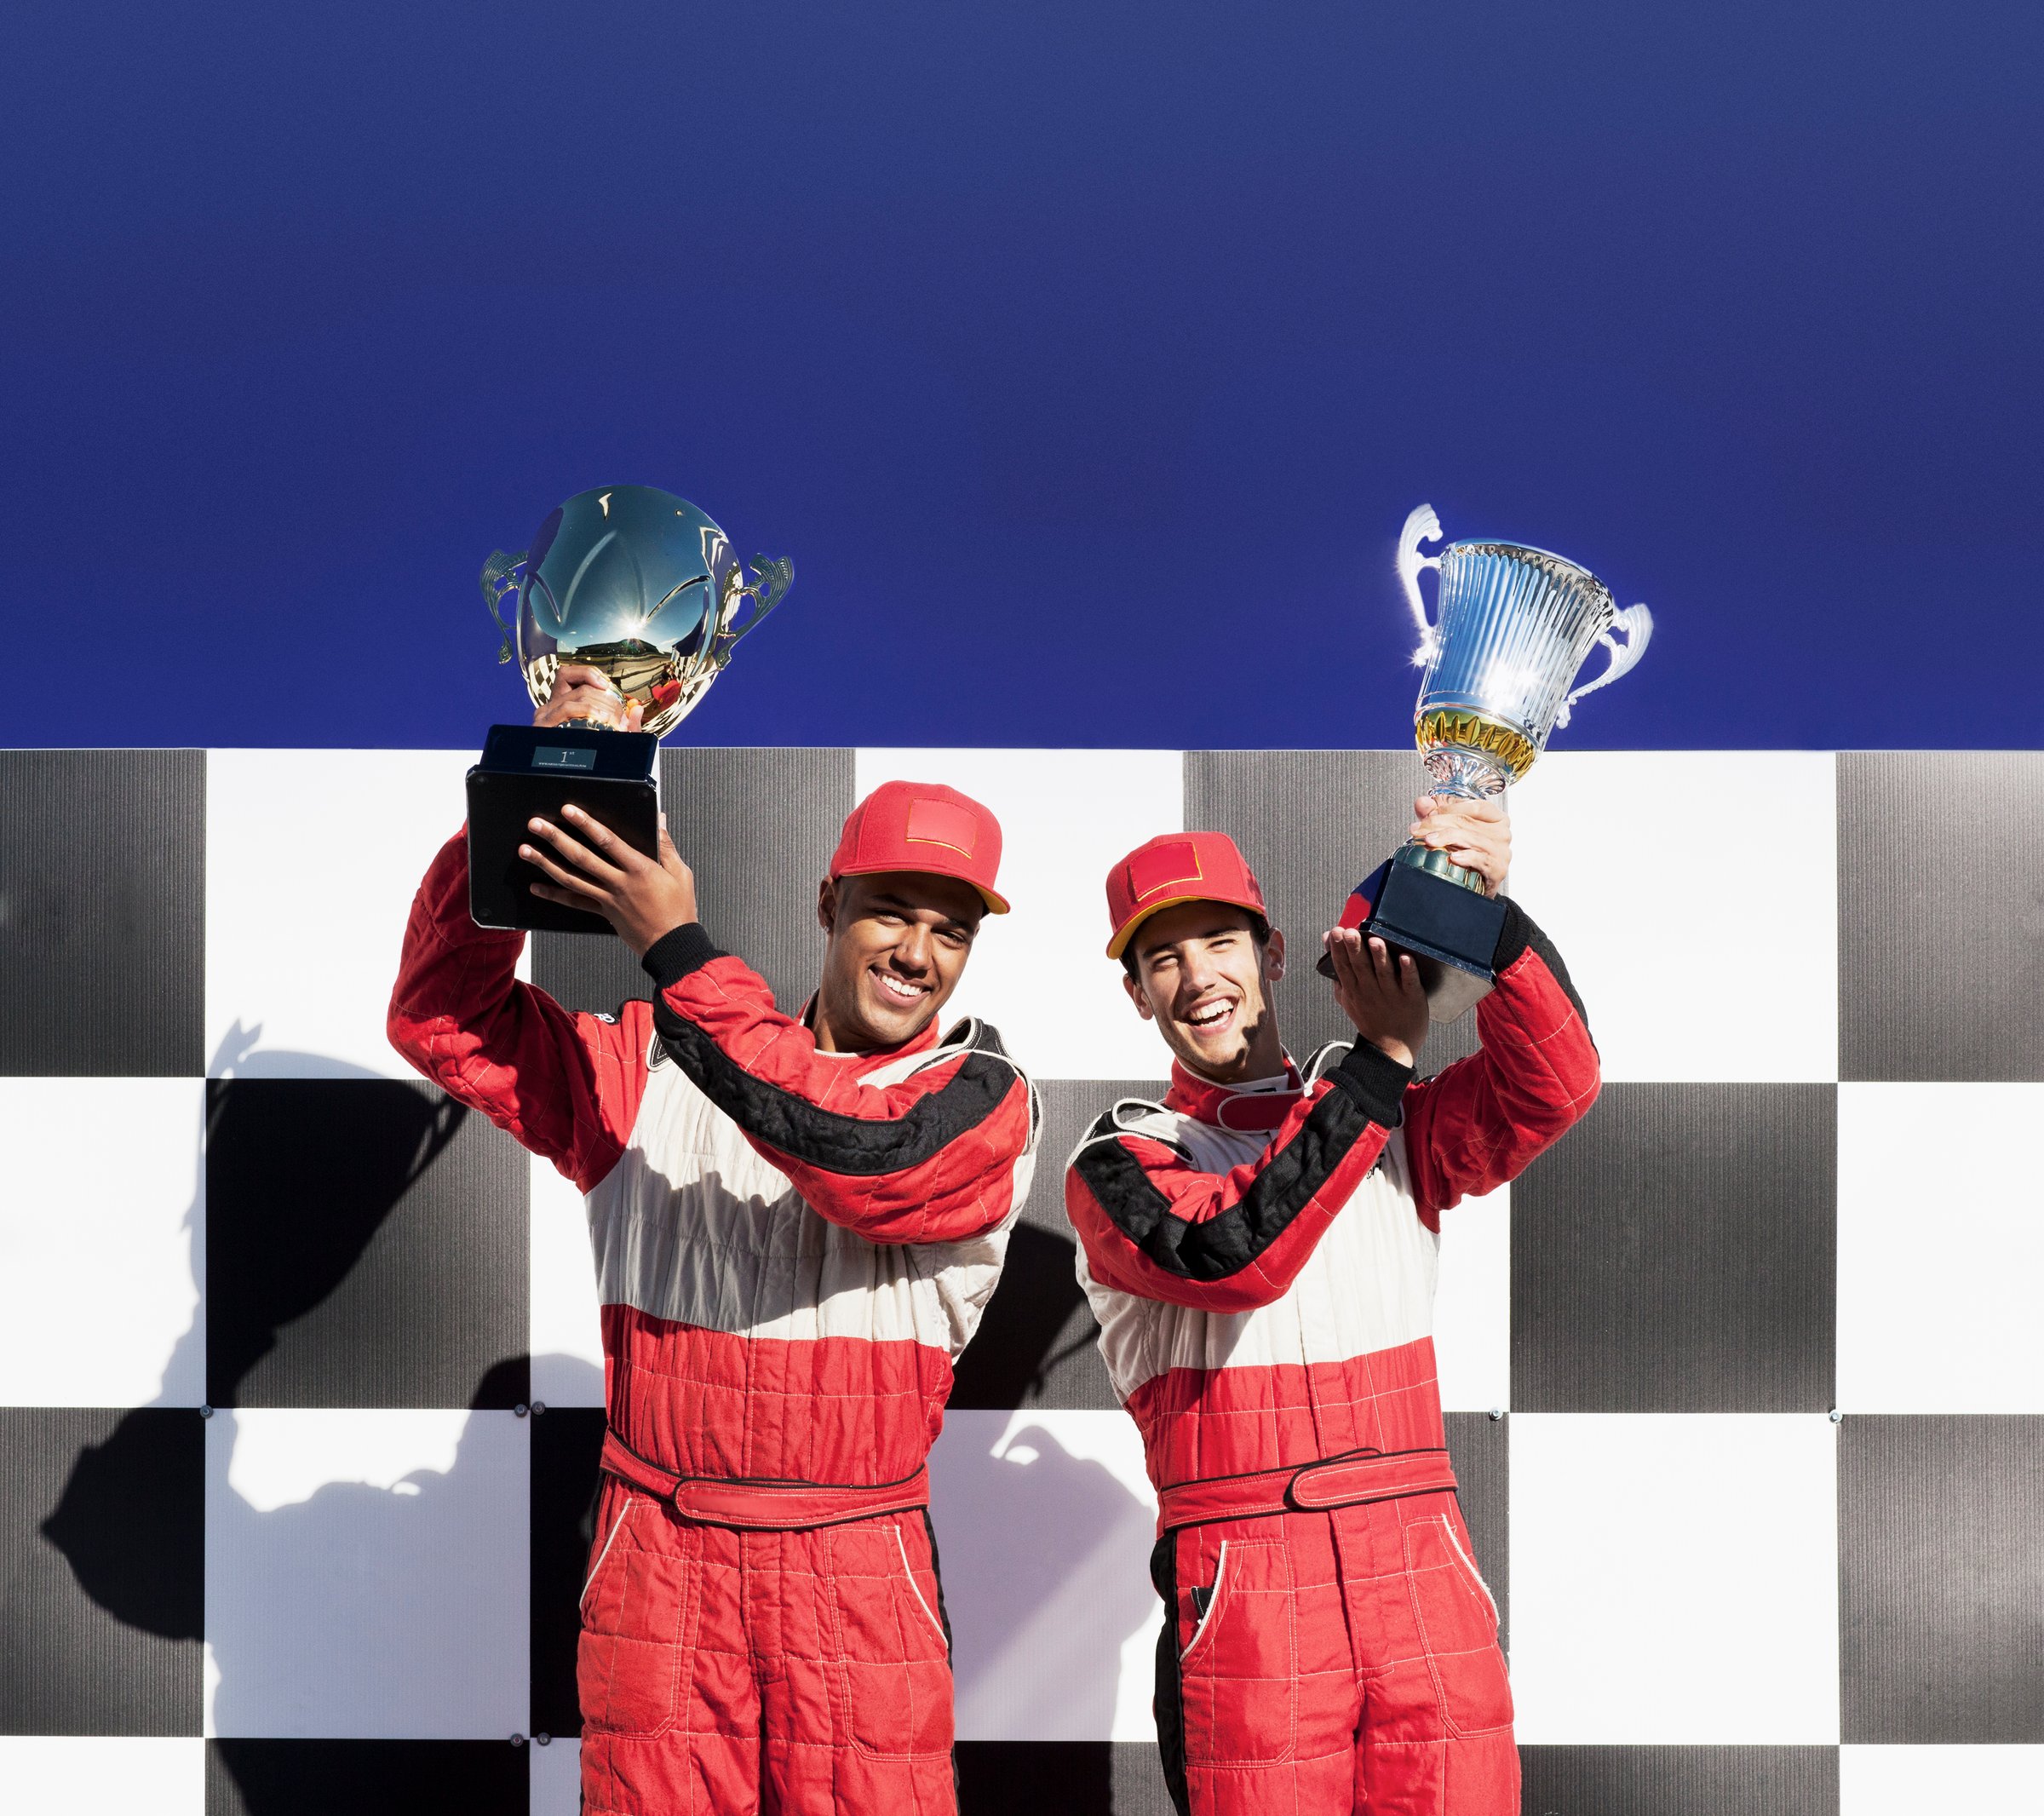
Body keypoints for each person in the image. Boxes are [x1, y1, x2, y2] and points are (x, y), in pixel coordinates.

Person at [389, 665, 1038, 1816]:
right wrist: (524, 797)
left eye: (952, 930)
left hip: (855, 1568)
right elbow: (445, 1020)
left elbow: (855, 1158)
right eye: (892, 910)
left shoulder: (979, 1095)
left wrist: (679, 950)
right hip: (659, 1566)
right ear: (827, 902)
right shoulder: (645, 1062)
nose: (918, 953)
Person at [1064, 799, 1599, 1816]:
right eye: (1163, 958)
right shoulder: (1119, 1162)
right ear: (1135, 992)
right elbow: (1234, 1254)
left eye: (1220, 940)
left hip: (1420, 1566)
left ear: (1270, 955)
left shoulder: (1401, 1126)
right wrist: (1380, 1061)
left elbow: (1555, 1088)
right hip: (1246, 1588)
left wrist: (1485, 915)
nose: (1199, 978)